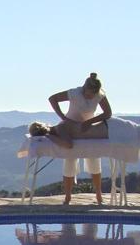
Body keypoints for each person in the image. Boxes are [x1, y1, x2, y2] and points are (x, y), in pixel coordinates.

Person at [47, 73, 112, 205]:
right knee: (70, 162)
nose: (90, 97)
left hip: (87, 130)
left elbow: (108, 113)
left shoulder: (99, 95)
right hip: (69, 128)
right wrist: (63, 118)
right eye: (89, 94)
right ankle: (67, 196)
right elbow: (52, 98)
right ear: (84, 88)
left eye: (93, 95)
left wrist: (91, 121)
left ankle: (99, 195)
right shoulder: (74, 93)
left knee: (94, 161)